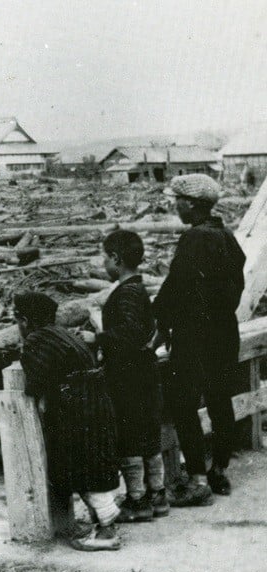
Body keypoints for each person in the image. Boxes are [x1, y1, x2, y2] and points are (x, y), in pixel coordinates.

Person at [153, 174, 245, 506]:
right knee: (221, 401)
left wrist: (160, 324)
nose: (174, 206)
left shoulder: (194, 239)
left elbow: (177, 286)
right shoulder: (227, 236)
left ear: (190, 204)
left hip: (195, 336)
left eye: (176, 200)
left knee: (182, 403)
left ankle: (196, 478)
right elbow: (235, 286)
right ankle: (218, 470)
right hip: (225, 332)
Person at [15, 292, 122, 551]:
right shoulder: (65, 335)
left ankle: (107, 529)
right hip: (96, 401)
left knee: (82, 464)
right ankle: (104, 521)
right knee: (96, 463)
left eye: (17, 319)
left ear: (25, 320)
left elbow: (35, 385)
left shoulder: (36, 341)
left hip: (77, 407)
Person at [92, 229, 167, 521]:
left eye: (105, 258)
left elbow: (129, 333)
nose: (104, 264)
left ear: (116, 259)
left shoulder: (125, 294)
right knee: (148, 433)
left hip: (127, 376)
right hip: (145, 372)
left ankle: (137, 500)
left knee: (128, 435)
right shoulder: (139, 289)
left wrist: (97, 337)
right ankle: (157, 495)